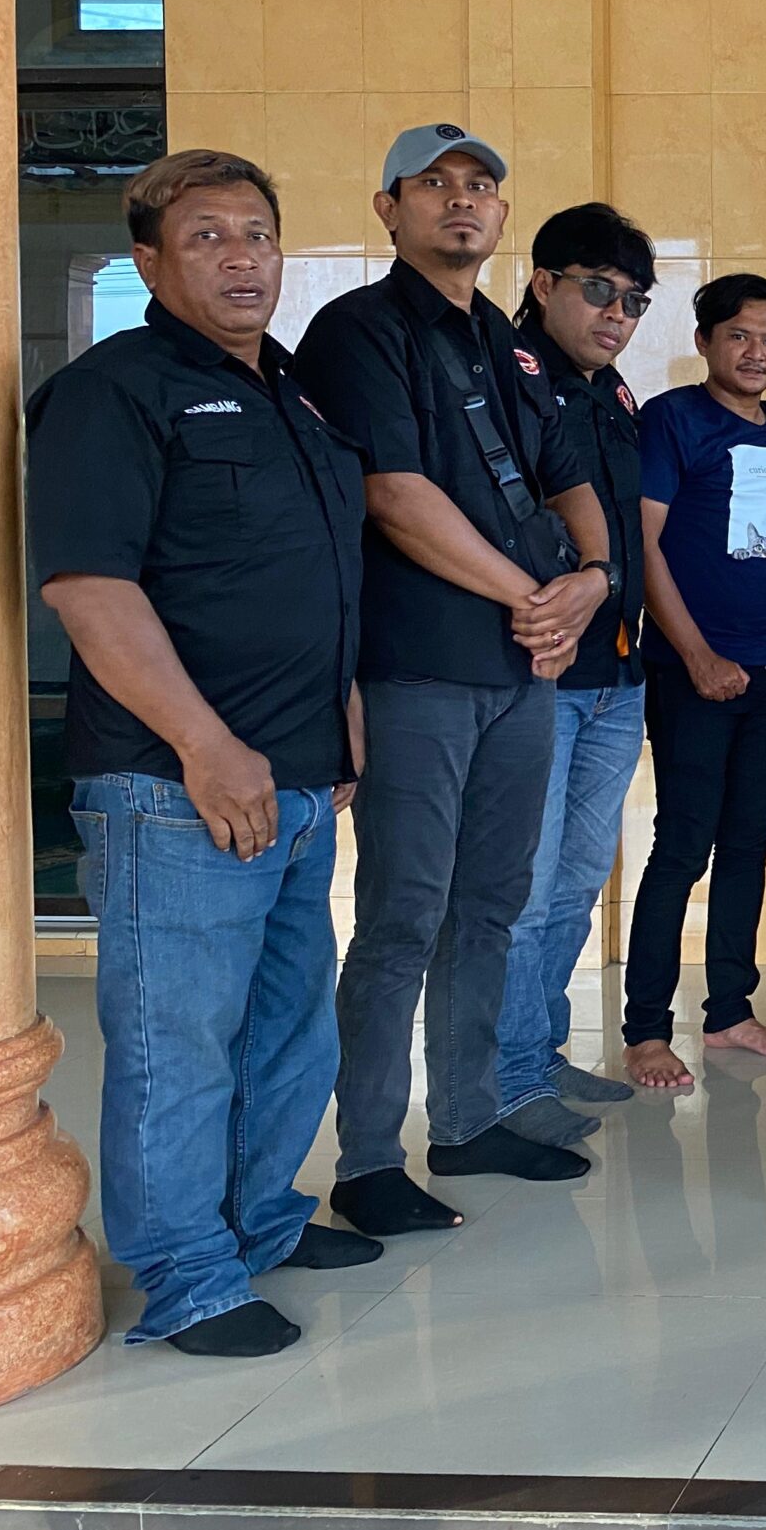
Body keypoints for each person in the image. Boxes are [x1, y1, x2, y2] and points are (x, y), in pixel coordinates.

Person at [27, 151, 375, 1357]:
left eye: (259, 235)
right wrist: (206, 745)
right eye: (210, 237)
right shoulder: (114, 392)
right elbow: (88, 588)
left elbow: (318, 579)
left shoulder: (293, 392)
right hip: (175, 785)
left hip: (294, 777)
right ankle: (183, 1274)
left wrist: (340, 728)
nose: (242, 258)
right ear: (149, 264)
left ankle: (257, 1224)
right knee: (179, 1043)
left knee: (291, 1029)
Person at [294, 125, 615, 1236]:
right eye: (436, 185)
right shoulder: (356, 333)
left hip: (523, 675)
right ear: (389, 207)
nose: (462, 202)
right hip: (419, 668)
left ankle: (470, 1120)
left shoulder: (510, 346)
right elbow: (394, 493)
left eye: (480, 186)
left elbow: (570, 481)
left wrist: (594, 575)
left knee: (491, 904)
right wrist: (532, 597)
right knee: (400, 917)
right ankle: (371, 1155)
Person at [622, 273, 766, 1089]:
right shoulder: (673, 421)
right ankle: (644, 1029)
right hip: (692, 674)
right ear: (705, 340)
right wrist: (698, 655)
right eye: (739, 335)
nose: (756, 352)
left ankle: (730, 1011)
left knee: (749, 844)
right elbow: (644, 546)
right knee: (681, 847)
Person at [492, 204, 656, 1139]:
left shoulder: (613, 393)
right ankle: (507, 1080)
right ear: (544, 283)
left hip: (616, 675)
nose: (615, 314)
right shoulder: (510, 382)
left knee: (579, 873)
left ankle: (538, 1052)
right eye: (597, 290)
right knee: (526, 879)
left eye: (632, 300)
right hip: (538, 672)